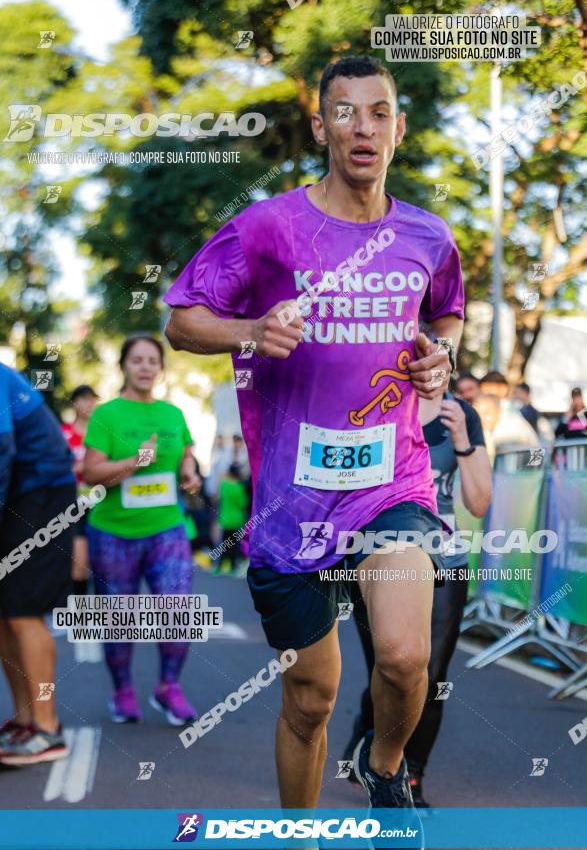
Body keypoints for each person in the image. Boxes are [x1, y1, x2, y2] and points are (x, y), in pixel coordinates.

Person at [164, 54, 464, 834]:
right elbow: (182, 319)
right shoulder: (269, 227)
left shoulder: (427, 236)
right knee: (311, 698)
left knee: (403, 658)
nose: (361, 127)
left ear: (398, 128)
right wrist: (249, 329)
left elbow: (447, 313)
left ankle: (386, 766)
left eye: (377, 112)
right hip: (289, 500)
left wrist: (444, 353)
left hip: (389, 482)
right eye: (344, 112)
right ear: (320, 125)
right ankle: (298, 833)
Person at [344, 389, 492, 805]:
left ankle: (409, 776)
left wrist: (462, 438)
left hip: (445, 557)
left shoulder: (460, 414)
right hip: (378, 549)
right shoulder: (371, 397)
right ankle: (370, 737)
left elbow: (479, 503)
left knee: (432, 673)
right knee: (390, 664)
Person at [83, 334, 201, 725]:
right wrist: (135, 460)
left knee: (177, 609)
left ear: (161, 368)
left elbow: (186, 454)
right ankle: (123, 692)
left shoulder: (173, 415)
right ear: (124, 367)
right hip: (113, 532)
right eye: (137, 360)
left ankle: (168, 687)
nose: (146, 367)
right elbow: (90, 472)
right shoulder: (107, 415)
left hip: (166, 527)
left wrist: (190, 472)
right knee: (120, 618)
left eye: (153, 360)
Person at [0, 362, 76, 765]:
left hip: (42, 492)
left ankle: (47, 729)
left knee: (22, 611)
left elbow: (1, 449)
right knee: (4, 613)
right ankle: (25, 721)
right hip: (19, 494)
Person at [61, 385, 99, 596]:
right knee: (79, 563)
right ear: (74, 402)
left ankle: (107, 620)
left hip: (102, 502)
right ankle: (81, 620)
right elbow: (54, 465)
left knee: (104, 564)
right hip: (74, 505)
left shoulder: (102, 432)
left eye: (93, 399)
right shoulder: (63, 433)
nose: (89, 403)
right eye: (84, 399)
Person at [478, 371, 539, 456]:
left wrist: (533, 468)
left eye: (489, 391)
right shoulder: (481, 422)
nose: (483, 418)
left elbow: (537, 450)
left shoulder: (512, 420)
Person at [217, 463, 249, 575]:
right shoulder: (239, 488)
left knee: (224, 543)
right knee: (235, 545)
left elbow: (219, 497)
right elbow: (242, 503)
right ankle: (233, 567)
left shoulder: (224, 485)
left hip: (225, 519)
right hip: (236, 520)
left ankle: (219, 567)